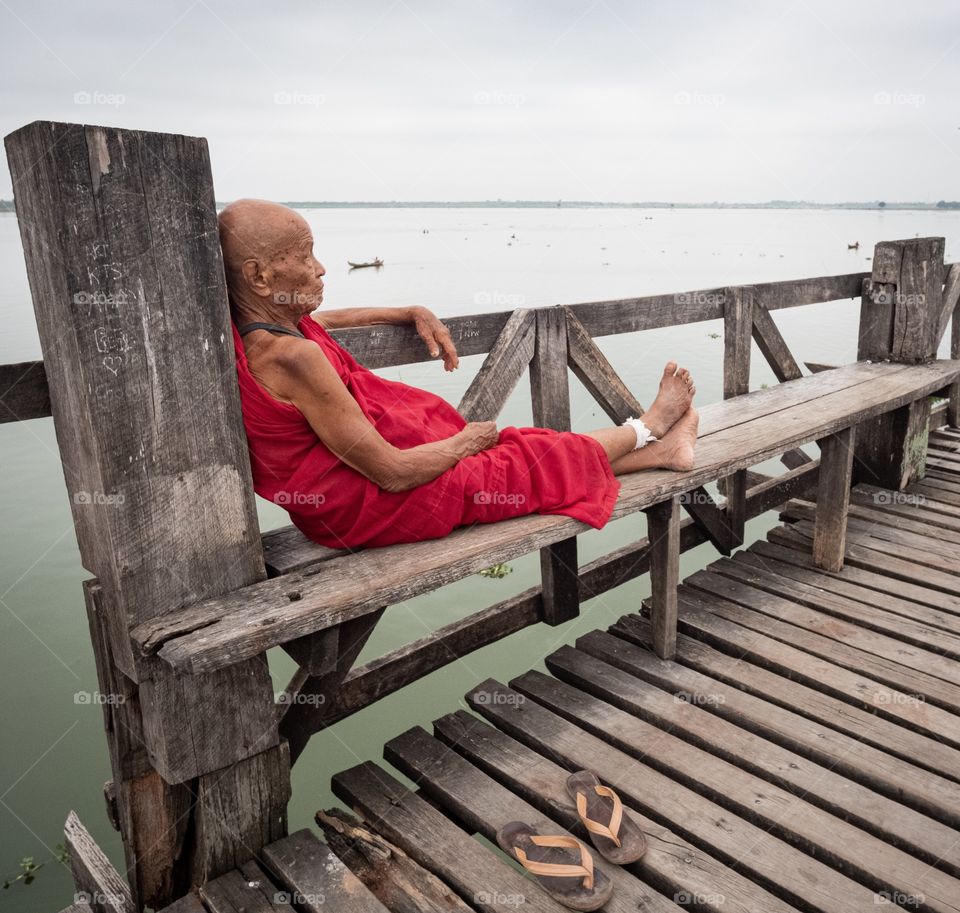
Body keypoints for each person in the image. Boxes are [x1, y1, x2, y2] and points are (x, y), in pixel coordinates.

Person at [218, 199, 699, 549]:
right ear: (260, 277)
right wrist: (464, 443)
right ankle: (648, 428)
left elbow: (325, 320)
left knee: (519, 448)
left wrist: (407, 310)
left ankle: (663, 453)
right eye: (304, 256)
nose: (320, 268)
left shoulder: (263, 331)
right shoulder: (292, 357)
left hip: (341, 506)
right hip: (374, 507)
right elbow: (392, 474)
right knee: (519, 458)